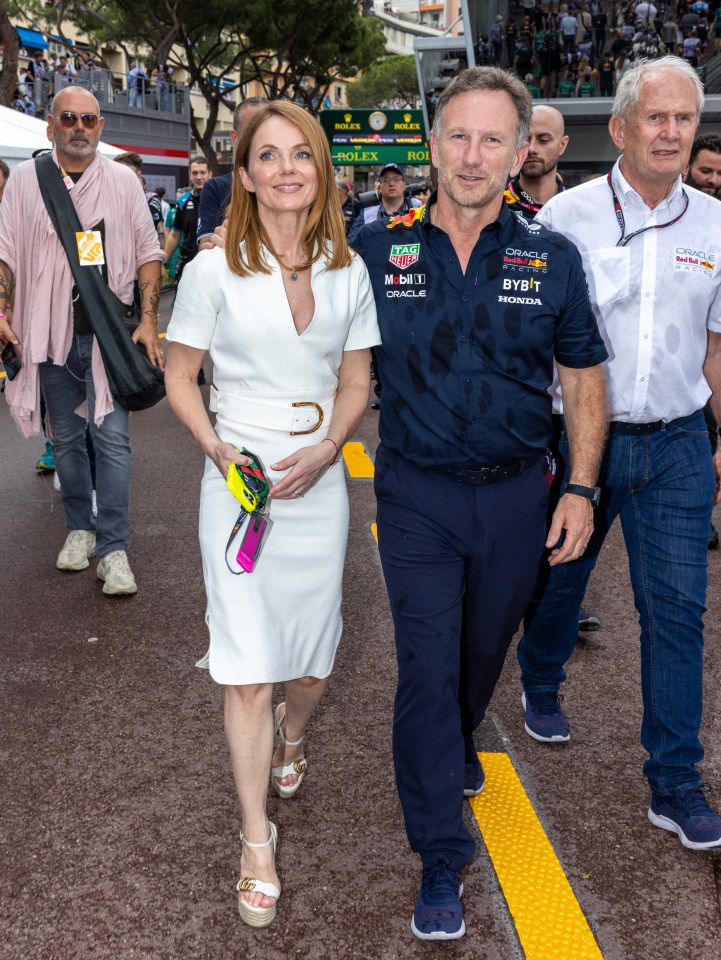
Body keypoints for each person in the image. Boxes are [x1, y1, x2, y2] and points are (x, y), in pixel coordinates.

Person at [352, 66, 608, 941]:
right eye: (457, 135)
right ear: (431, 144)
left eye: (492, 138)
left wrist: (578, 486)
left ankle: (460, 733)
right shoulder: (375, 252)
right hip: (416, 494)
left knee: (477, 650)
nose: (472, 155)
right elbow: (333, 363)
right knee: (425, 667)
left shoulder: (552, 256)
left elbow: (580, 381)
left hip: (515, 499)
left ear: (522, 150)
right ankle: (439, 858)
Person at [163, 100, 380, 929]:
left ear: (319, 169)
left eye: (301, 155)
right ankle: (256, 839)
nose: (286, 168)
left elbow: (356, 381)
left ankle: (296, 733)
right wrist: (218, 452)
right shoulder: (211, 270)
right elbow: (182, 375)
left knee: (313, 663)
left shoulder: (347, 270)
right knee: (248, 669)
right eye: (267, 156)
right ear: (244, 175)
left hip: (316, 478)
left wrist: (330, 447)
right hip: (238, 482)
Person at [517, 56, 721, 852]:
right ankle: (539, 675)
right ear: (620, 128)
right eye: (655, 118)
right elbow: (529, 339)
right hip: (581, 442)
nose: (669, 133)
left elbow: (713, 350)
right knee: (559, 581)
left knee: (676, 613)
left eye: (682, 120)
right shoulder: (562, 220)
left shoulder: (715, 224)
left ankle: (673, 781)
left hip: (675, 443)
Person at [0, 86, 164, 595]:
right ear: (50, 125)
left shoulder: (122, 181)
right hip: (47, 336)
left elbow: (147, 251)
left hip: (107, 337)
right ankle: (79, 528)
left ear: (101, 127)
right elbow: (4, 250)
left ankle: (113, 549)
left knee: (111, 440)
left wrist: (149, 319)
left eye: (89, 119)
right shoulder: (26, 180)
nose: (79, 127)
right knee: (67, 439)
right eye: (68, 118)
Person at [684, 132, 721, 550]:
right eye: (705, 170)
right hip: (691, 356)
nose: (711, 179)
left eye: (718, 173)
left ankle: (701, 513)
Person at [197, 97, 268, 244]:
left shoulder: (291, 183)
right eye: (252, 130)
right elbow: (205, 245)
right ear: (235, 137)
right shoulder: (215, 188)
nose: (261, 138)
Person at [164, 156, 212, 285]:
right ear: (190, 175)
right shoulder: (183, 201)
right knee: (181, 303)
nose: (198, 177)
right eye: (194, 173)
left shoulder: (220, 199)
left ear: (210, 174)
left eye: (203, 172)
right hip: (187, 261)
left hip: (212, 262)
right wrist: (163, 263)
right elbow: (174, 235)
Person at [346, 163, 422, 245]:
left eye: (396, 179)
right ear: (380, 186)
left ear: (404, 184)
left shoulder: (418, 211)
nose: (391, 183)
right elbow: (351, 247)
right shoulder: (367, 216)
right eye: (386, 180)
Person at [113, 152, 164, 245]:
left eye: (126, 174)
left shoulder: (148, 202)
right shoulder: (100, 199)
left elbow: (152, 240)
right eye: (117, 174)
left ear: (139, 175)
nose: (120, 179)